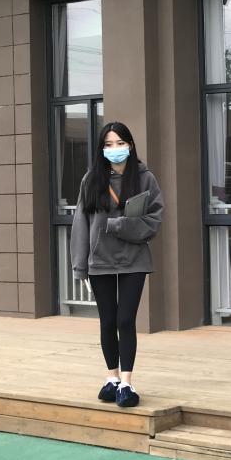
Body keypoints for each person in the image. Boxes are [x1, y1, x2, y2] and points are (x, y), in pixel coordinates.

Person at [70, 121, 164, 409]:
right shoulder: (91, 179)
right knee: (108, 321)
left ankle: (127, 382)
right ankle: (111, 378)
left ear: (130, 145)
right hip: (100, 261)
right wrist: (80, 265)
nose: (115, 149)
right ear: (101, 149)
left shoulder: (146, 178)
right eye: (108, 144)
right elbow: (81, 223)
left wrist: (119, 225)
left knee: (125, 320)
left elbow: (154, 220)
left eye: (120, 143)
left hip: (134, 260)